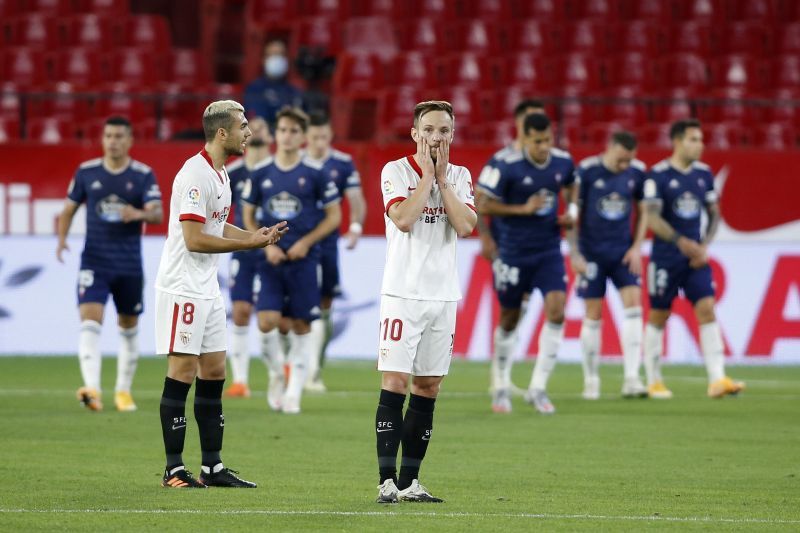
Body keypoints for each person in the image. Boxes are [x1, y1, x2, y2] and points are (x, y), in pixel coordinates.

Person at [154, 100, 287, 489]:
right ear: (222, 133)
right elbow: (194, 239)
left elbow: (216, 224)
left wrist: (253, 236)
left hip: (206, 288)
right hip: (182, 287)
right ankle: (174, 468)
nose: (251, 132)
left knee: (214, 372)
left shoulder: (221, 173)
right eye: (243, 126)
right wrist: (247, 248)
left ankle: (211, 467)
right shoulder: (195, 175)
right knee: (182, 372)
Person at [375, 101, 477, 504]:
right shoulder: (395, 171)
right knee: (395, 381)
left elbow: (467, 225)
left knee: (429, 386)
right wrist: (428, 177)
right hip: (402, 293)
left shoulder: (462, 176)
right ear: (415, 132)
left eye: (445, 131)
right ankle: (386, 481)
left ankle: (410, 481)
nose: (437, 137)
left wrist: (444, 181)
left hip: (442, 295)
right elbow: (403, 218)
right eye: (430, 130)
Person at [56, 116, 163, 413]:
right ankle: (92, 389)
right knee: (90, 321)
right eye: (108, 136)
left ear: (129, 141)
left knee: (128, 326)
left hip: (128, 264)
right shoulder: (87, 172)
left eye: (119, 136)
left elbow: (156, 214)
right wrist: (62, 240)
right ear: (103, 140)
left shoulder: (142, 175)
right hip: (95, 261)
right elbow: (67, 210)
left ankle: (123, 392)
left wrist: (138, 214)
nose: (113, 141)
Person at [241, 106, 342, 414]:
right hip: (270, 259)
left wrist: (306, 242)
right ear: (275, 134)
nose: (287, 136)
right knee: (267, 321)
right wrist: (263, 243)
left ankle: (294, 393)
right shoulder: (260, 173)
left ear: (303, 137)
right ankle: (275, 373)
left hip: (305, 260)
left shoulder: (316, 172)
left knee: (301, 325)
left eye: (294, 131)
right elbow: (247, 213)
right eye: (282, 130)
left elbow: (334, 216)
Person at [477, 113, 577, 415]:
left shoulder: (562, 162)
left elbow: (572, 187)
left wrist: (570, 210)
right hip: (513, 251)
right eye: (537, 141)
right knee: (509, 317)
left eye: (548, 140)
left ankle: (538, 388)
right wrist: (523, 208)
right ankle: (502, 385)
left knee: (557, 312)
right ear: (524, 137)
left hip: (548, 250)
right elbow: (482, 203)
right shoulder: (505, 164)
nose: (544, 147)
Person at [642, 119, 745, 399]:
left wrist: (703, 245)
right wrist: (680, 241)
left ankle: (717, 378)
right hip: (665, 257)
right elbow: (651, 217)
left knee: (707, 308)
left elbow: (714, 211)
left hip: (695, 259)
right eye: (693, 139)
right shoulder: (657, 176)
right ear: (677, 141)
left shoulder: (704, 174)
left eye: (700, 139)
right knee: (659, 314)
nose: (700, 145)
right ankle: (653, 380)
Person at [568, 131, 649, 400]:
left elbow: (644, 211)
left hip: (623, 253)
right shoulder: (588, 171)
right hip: (592, 254)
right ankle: (591, 380)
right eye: (621, 160)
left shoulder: (637, 172)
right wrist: (575, 252)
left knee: (635, 308)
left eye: (629, 160)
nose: (625, 165)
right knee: (593, 314)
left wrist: (637, 247)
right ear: (610, 148)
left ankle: (632, 378)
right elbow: (572, 214)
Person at [475, 99, 546, 396]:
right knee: (510, 310)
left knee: (522, 309)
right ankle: (498, 378)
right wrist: (486, 237)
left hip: (537, 247)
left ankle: (503, 375)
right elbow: (480, 200)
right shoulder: (501, 160)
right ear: (519, 125)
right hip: (508, 246)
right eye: (530, 120)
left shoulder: (548, 161)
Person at [302, 110, 367, 392]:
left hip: (327, 244)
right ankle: (307, 371)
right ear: (307, 138)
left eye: (324, 137)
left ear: (330, 136)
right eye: (314, 137)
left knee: (325, 305)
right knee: (300, 307)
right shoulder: (295, 163)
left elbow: (356, 199)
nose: (319, 142)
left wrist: (354, 227)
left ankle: (316, 362)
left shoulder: (342, 164)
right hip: (296, 243)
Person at [224, 117, 273, 398]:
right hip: (243, 249)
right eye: (249, 128)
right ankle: (241, 380)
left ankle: (281, 368)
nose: (254, 132)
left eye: (262, 128)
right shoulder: (233, 172)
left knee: (274, 317)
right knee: (241, 312)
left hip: (274, 251)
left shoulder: (277, 170)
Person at [243, 39, 304, 124]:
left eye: (280, 55)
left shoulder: (294, 91)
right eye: (272, 55)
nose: (276, 59)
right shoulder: (255, 89)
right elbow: (258, 121)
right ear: (264, 60)